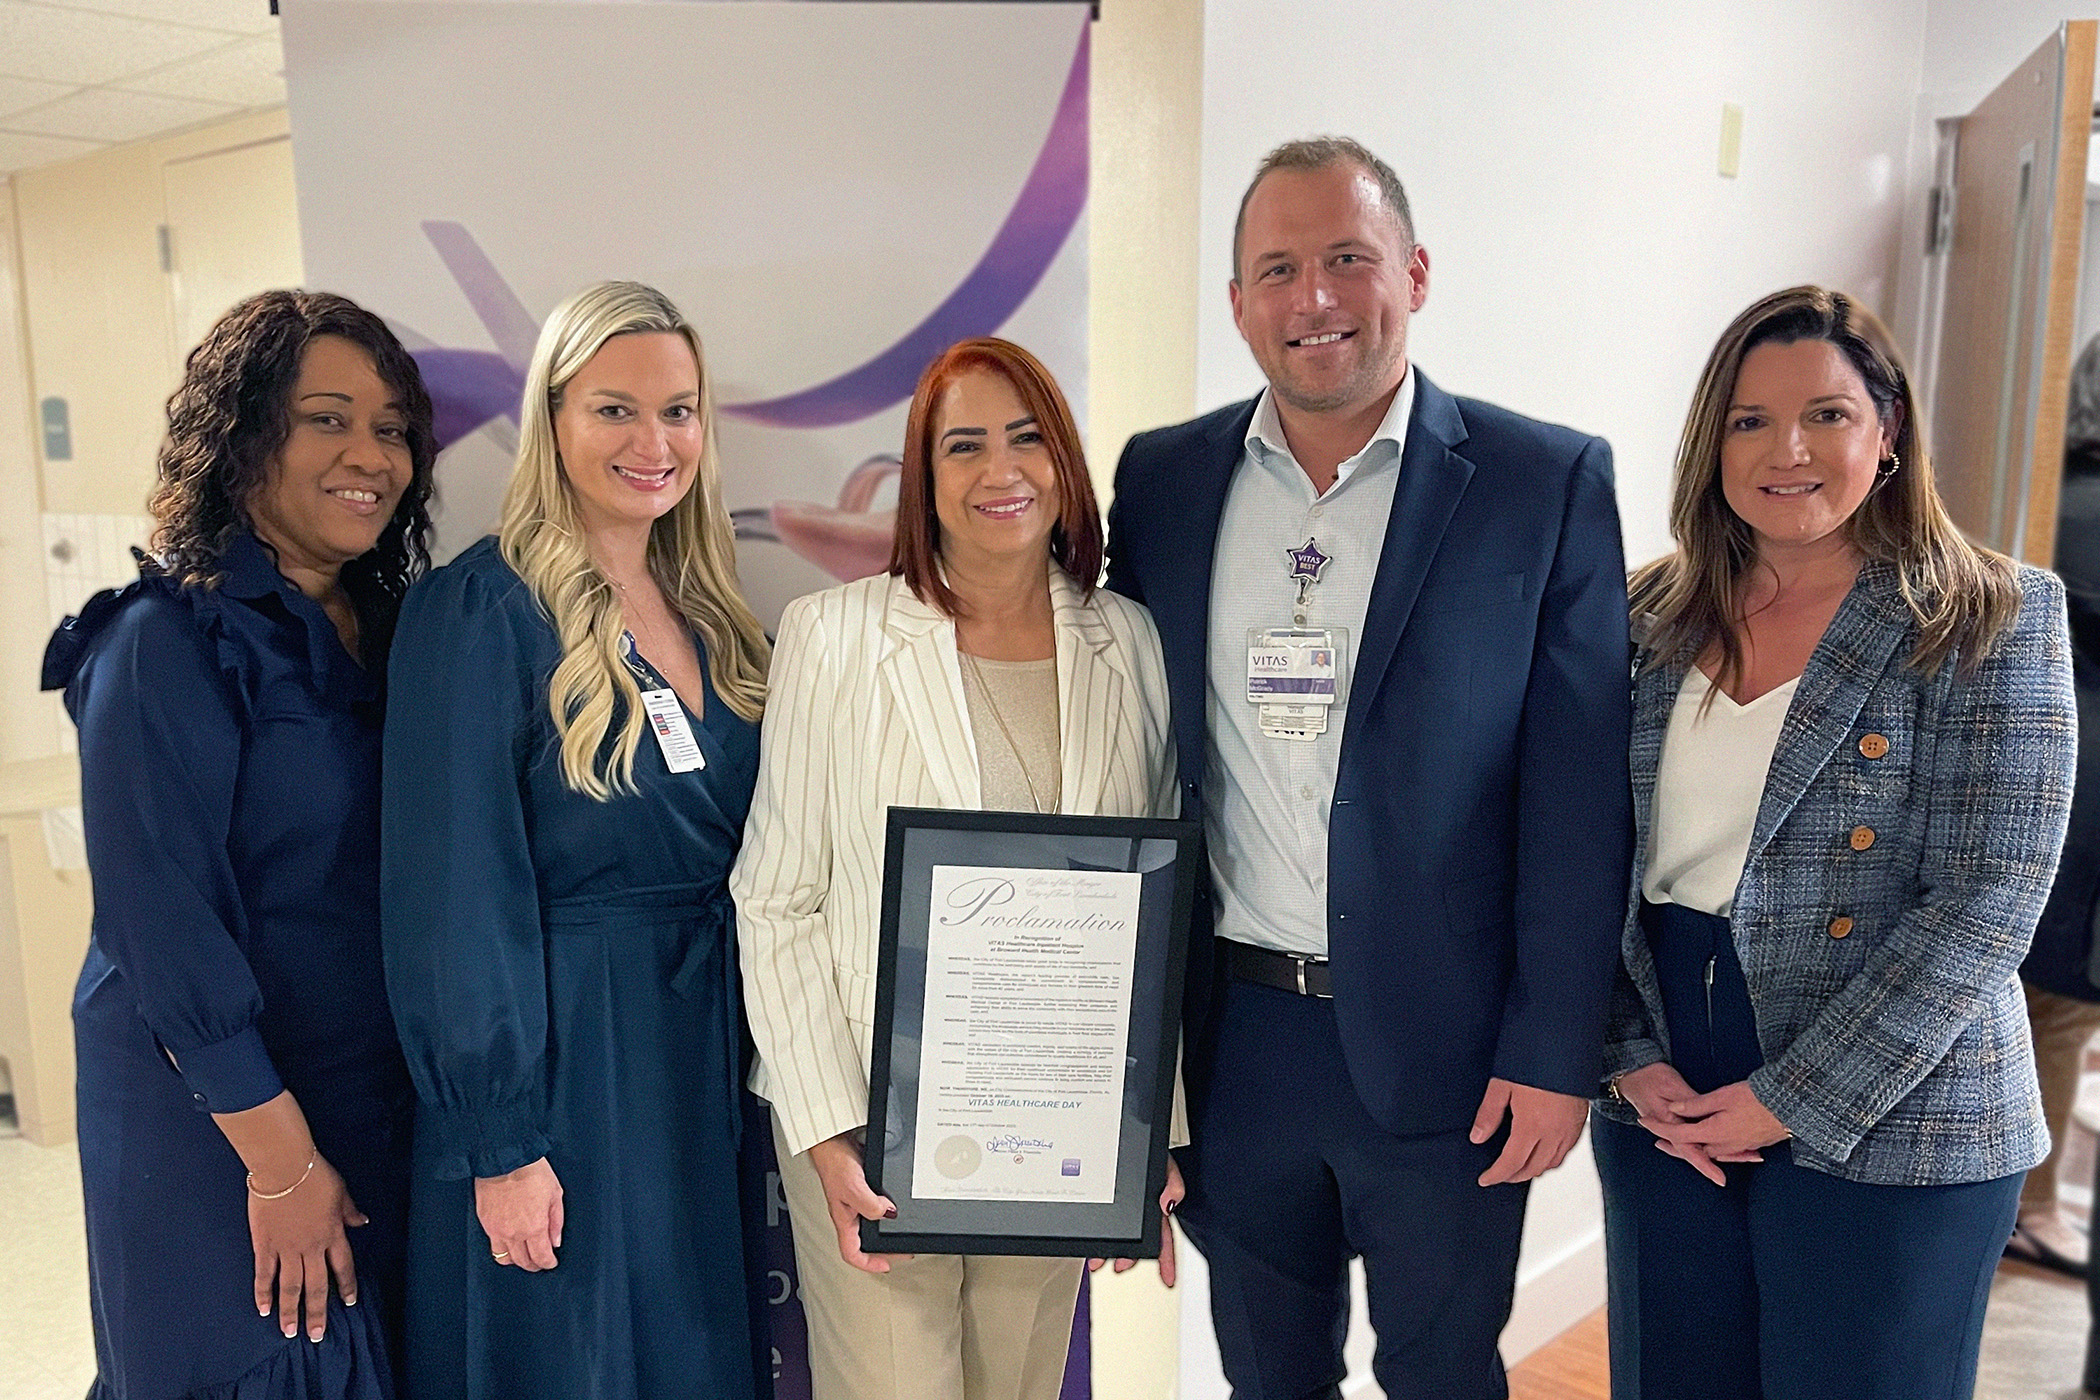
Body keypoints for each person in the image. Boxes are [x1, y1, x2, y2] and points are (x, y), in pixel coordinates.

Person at [1103, 137, 1631, 1399]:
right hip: (1234, 1041)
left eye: (1348, 257)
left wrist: (1556, 1045)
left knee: (1445, 1373)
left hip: (1452, 1052)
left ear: (1416, 271)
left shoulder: (1539, 480)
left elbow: (1579, 790)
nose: (1315, 298)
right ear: (1237, 304)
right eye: (1276, 268)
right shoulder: (1164, 480)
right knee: (1265, 1378)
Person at [1596, 285, 2075, 1399]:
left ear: (1890, 431)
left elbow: (1990, 898)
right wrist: (1625, 1058)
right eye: (1750, 419)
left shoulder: (1991, 615)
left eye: (1827, 414)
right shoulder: (1643, 614)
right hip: (1669, 1085)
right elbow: (1587, 861)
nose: (1786, 449)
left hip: (1902, 1102)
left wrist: (1794, 1094)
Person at [731, 337, 1180, 1400]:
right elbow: (775, 893)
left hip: (1057, 1124)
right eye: (963, 445)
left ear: (1065, 463)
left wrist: (1144, 1136)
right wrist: (827, 1127)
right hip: (870, 1130)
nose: (1001, 470)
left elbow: (1152, 916)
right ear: (922, 481)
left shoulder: (1134, 644)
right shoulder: (832, 637)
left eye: (1027, 438)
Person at [381, 281, 773, 1400]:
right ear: (551, 417)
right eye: (615, 409)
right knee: (570, 1358)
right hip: (560, 1064)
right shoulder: (480, 610)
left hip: (694, 1055)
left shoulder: (710, 610)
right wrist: (497, 1138)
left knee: (690, 1353)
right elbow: (453, 893)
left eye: (681, 410)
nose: (655, 442)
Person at [44, 289, 435, 1398]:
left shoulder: (395, 628)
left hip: (362, 1092)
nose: (371, 453)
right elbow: (161, 923)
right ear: (243, 434)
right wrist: (280, 1163)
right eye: (327, 418)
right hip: (216, 1116)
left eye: (393, 427)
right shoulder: (161, 640)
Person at [2012, 339, 2100, 1277]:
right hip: (2079, 794)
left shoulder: (2054, 490)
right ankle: (2034, 1204)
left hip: (2062, 778)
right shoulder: (2084, 507)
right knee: (2062, 1002)